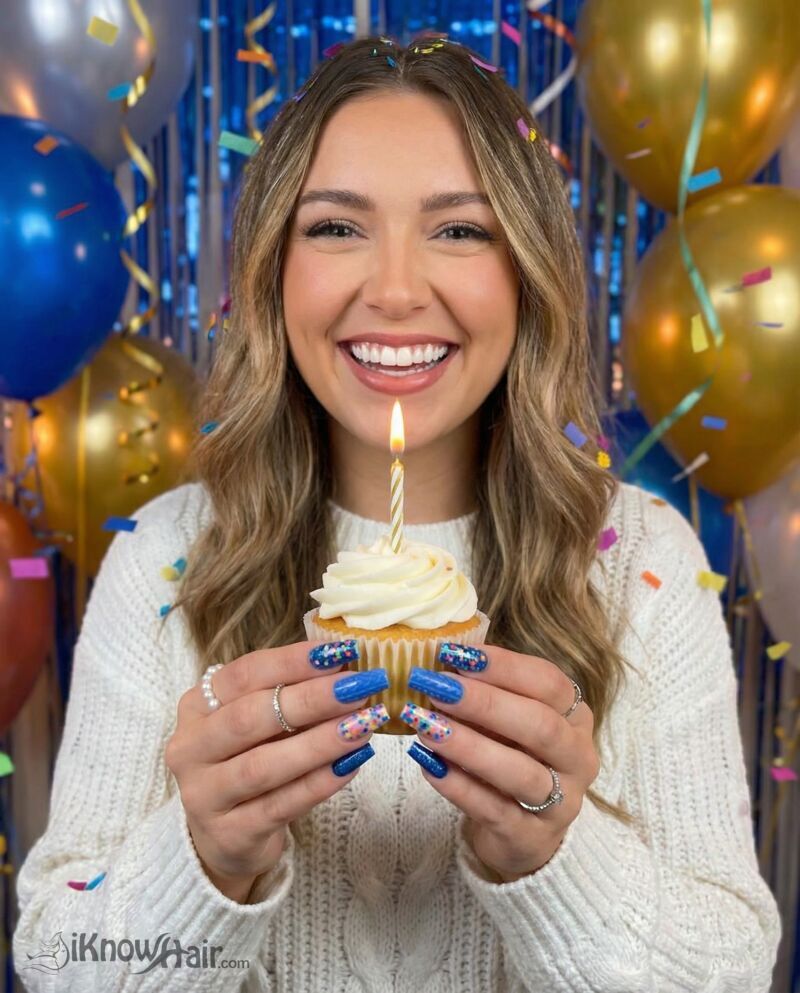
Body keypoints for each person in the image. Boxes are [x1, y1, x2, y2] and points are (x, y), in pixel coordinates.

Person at [14, 33, 781, 993]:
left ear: (526, 270)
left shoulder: (638, 562)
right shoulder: (170, 555)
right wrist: (204, 858)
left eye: (459, 229)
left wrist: (550, 860)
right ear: (274, 269)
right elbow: (56, 957)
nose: (394, 289)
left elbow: (733, 972)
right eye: (337, 227)